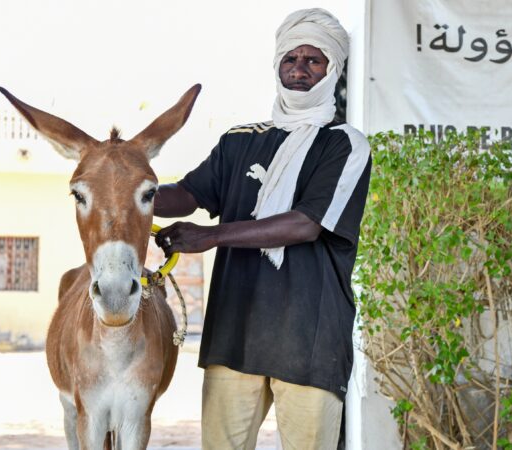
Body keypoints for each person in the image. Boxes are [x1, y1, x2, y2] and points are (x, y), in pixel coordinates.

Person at [154, 8, 371, 450]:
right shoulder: (239, 140)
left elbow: (306, 224)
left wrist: (210, 236)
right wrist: (121, 185)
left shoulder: (345, 143)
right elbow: (189, 194)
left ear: (333, 69)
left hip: (310, 338)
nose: (299, 69)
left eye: (314, 60)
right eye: (290, 59)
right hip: (235, 331)